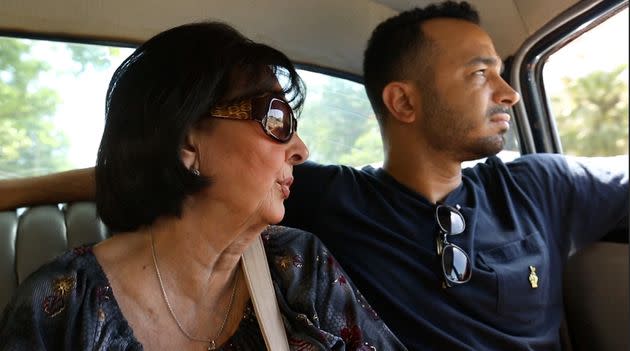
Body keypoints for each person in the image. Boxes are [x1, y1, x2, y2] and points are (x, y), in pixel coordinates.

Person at [0, 1, 627, 350]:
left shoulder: (542, 183)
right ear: (402, 103)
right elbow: (155, 172)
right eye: (478, 72)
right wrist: (13, 193)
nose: (510, 93)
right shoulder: (331, 203)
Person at [0, 21, 406, 350]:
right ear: (188, 141)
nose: (300, 149)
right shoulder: (63, 305)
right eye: (277, 119)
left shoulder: (301, 268)